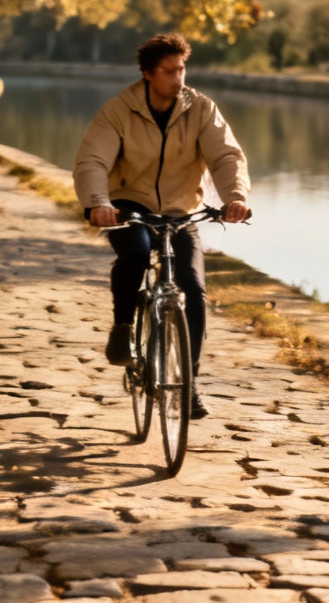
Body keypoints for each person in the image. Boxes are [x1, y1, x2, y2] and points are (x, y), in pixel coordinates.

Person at [73, 34, 250, 419]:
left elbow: (225, 156)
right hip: (129, 206)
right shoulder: (119, 110)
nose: (179, 78)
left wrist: (234, 197)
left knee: (193, 288)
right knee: (135, 252)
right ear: (148, 74)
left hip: (180, 210)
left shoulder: (201, 109)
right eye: (170, 71)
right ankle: (123, 326)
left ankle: (189, 383)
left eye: (182, 69)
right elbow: (93, 161)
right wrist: (98, 204)